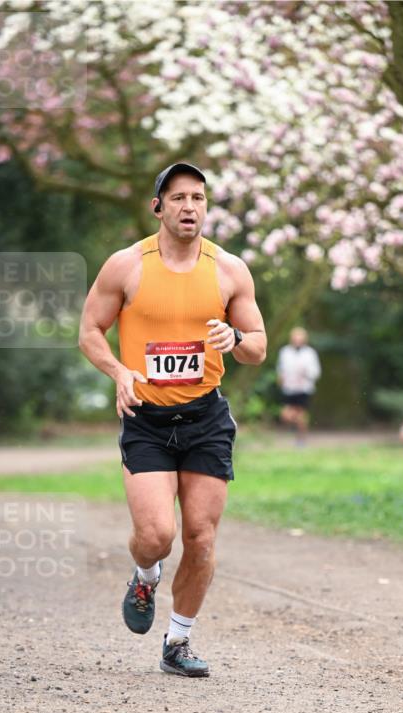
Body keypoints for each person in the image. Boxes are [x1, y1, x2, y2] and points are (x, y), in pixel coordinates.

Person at [79, 162, 267, 678]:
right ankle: (145, 575)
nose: (190, 207)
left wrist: (237, 341)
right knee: (157, 535)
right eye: (178, 197)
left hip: (206, 415)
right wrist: (118, 371)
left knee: (201, 537)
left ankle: (178, 642)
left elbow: (258, 346)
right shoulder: (126, 265)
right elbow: (90, 330)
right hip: (147, 418)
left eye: (199, 198)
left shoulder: (229, 270)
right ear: (158, 207)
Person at [276, 326, 321, 444]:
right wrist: (281, 380)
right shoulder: (285, 351)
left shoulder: (310, 353)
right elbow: (281, 369)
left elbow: (315, 372)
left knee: (302, 415)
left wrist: (306, 373)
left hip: (303, 388)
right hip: (289, 388)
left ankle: (301, 439)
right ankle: (295, 427)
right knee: (286, 415)